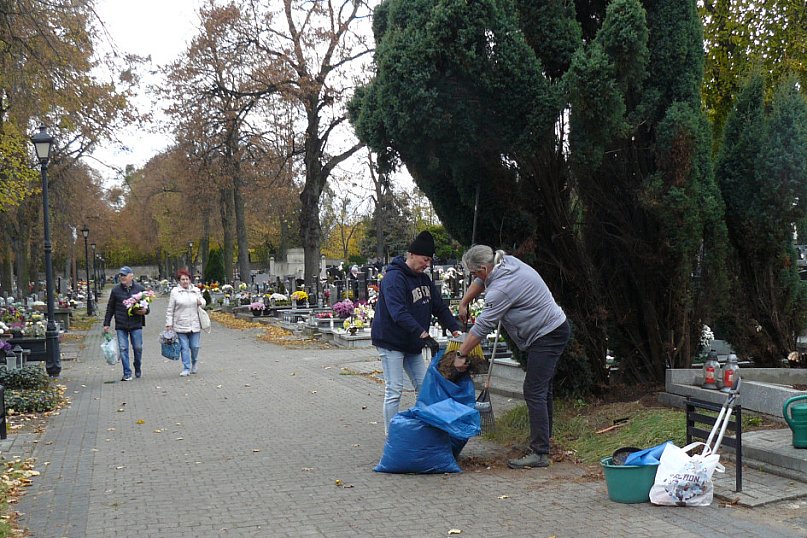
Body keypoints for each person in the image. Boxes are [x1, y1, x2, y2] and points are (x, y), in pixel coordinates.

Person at [454, 245, 570, 469]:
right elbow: (481, 282)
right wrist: (464, 302)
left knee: (534, 390)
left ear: (485, 267)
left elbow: (482, 327)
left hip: (548, 333)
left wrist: (461, 353)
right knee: (541, 388)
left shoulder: (502, 289)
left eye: (475, 272)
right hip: (549, 329)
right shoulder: (504, 261)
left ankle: (540, 453)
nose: (474, 278)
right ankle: (544, 440)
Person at [371, 230, 462, 434]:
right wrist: (423, 334)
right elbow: (398, 313)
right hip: (391, 342)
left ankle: (424, 430)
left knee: (424, 387)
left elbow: (439, 307)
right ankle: (392, 435)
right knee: (394, 389)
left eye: (430, 260)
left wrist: (455, 329)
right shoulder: (394, 278)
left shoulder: (424, 280)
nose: (427, 264)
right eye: (425, 259)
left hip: (412, 345)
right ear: (412, 254)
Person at [103, 266, 149, 381]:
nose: (122, 277)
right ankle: (127, 373)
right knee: (123, 348)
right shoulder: (115, 290)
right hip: (121, 324)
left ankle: (137, 366)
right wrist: (106, 323)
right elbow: (110, 307)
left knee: (138, 348)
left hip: (136, 323)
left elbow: (147, 306)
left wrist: (145, 311)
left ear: (131, 276)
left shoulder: (140, 289)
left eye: (124, 275)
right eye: (121, 275)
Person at [165, 268, 206, 377]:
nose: (185, 281)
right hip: (180, 324)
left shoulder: (196, 290)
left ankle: (194, 362)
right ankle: (186, 368)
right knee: (184, 347)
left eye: (187, 279)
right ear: (179, 281)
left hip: (194, 324)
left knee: (195, 346)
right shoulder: (175, 292)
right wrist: (169, 324)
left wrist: (200, 302)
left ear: (190, 280)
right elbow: (170, 309)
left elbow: (204, 302)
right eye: (183, 279)